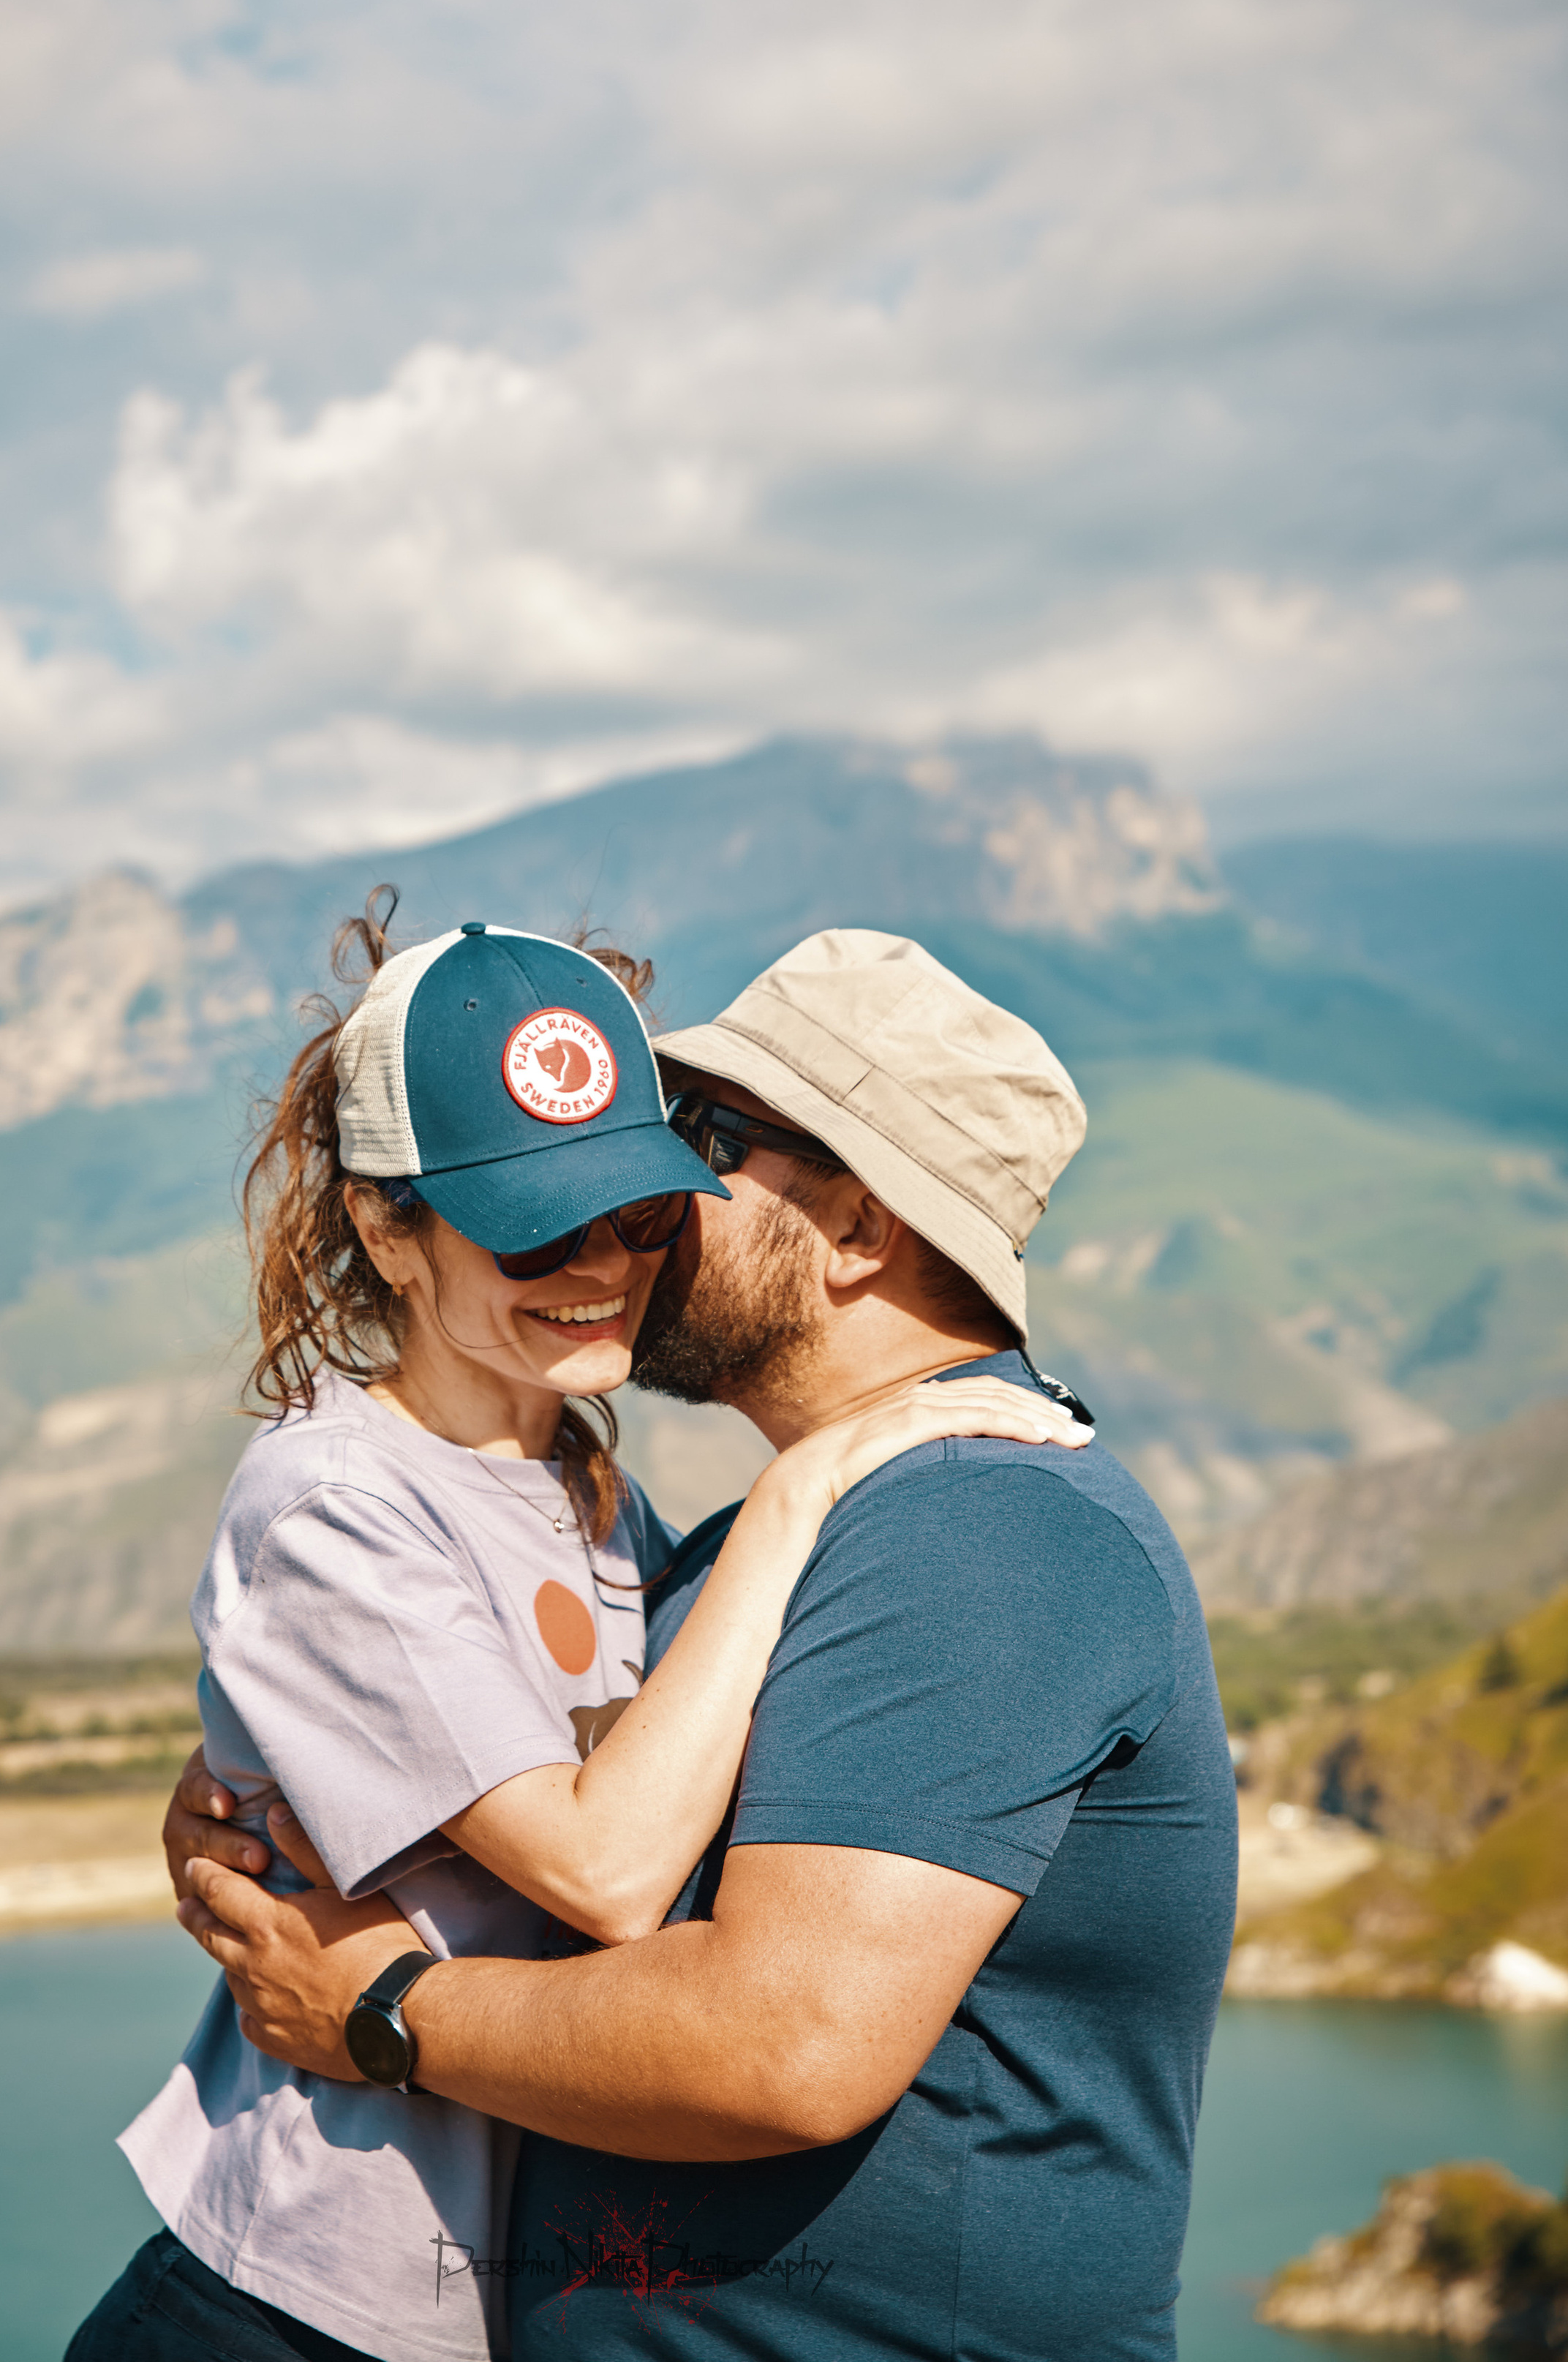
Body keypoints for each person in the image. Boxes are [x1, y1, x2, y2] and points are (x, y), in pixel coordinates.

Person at [168, 927, 1241, 2362]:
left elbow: (781, 2047)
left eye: (699, 1139)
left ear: (855, 1230)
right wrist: (258, 1790)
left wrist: (381, 2014)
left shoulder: (980, 1528)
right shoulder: (755, 1537)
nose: (638, 1188)